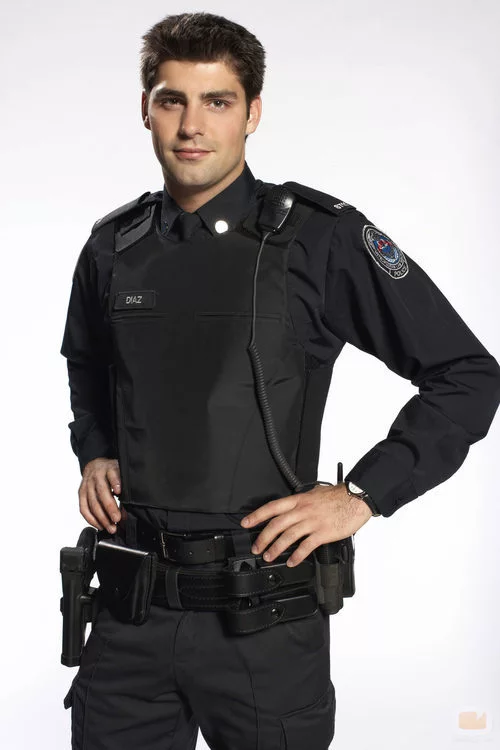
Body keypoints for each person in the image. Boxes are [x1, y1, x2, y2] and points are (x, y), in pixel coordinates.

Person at [59, 11, 500, 750]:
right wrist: (96, 447)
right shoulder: (113, 246)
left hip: (262, 620)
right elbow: (88, 359)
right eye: (172, 100)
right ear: (145, 109)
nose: (192, 125)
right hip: (129, 616)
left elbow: (467, 375)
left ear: (253, 113)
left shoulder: (319, 238)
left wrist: (363, 494)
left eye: (217, 101)